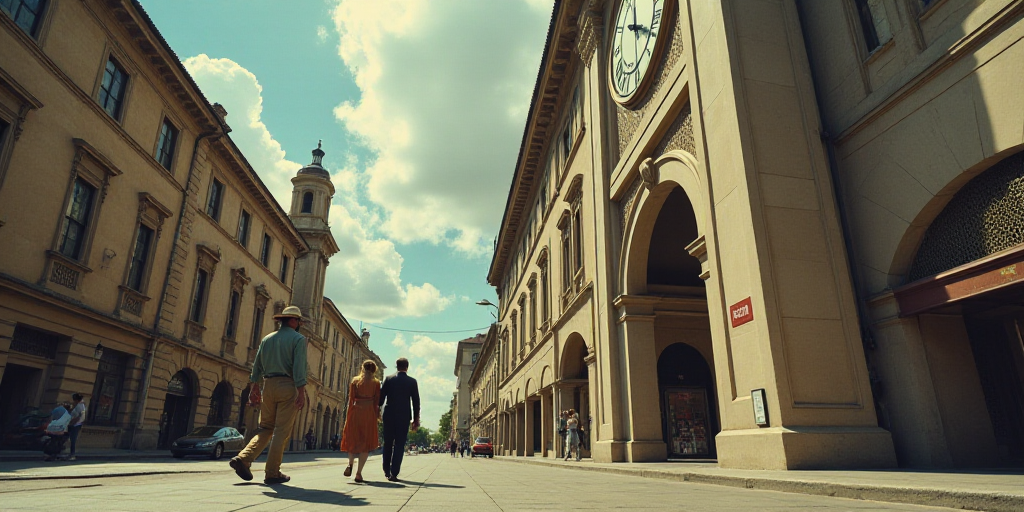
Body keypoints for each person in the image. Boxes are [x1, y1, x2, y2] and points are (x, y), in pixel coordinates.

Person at [229, 305, 308, 485]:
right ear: (294, 321)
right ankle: (272, 472)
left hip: (268, 385)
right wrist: (301, 391)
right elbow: (299, 367)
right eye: (299, 321)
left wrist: (254, 388)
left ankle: (244, 458)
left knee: (265, 427)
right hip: (288, 386)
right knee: (281, 430)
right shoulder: (298, 339)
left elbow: (256, 365)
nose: (299, 324)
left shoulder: (267, 339)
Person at [379, 357, 420, 482]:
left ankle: (386, 470)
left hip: (389, 414)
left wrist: (377, 412)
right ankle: (394, 472)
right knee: (399, 444)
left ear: (396, 366)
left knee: (388, 443)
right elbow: (416, 402)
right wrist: (416, 419)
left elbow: (381, 399)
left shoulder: (388, 379)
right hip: (404, 416)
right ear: (407, 367)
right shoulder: (412, 381)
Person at [340, 360, 381, 483]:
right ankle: (358, 473)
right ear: (374, 370)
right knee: (365, 443)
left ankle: (350, 463)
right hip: (368, 413)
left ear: (362, 368)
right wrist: (377, 416)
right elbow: (377, 402)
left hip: (356, 411)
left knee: (353, 439)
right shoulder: (376, 383)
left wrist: (348, 417)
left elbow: (350, 400)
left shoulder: (355, 381)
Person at [67, 393, 87, 461]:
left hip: (75, 425)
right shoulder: (79, 405)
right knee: (71, 439)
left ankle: (72, 454)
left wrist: (72, 422)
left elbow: (79, 417)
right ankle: (70, 453)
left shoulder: (80, 406)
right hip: (75, 424)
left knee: (73, 439)